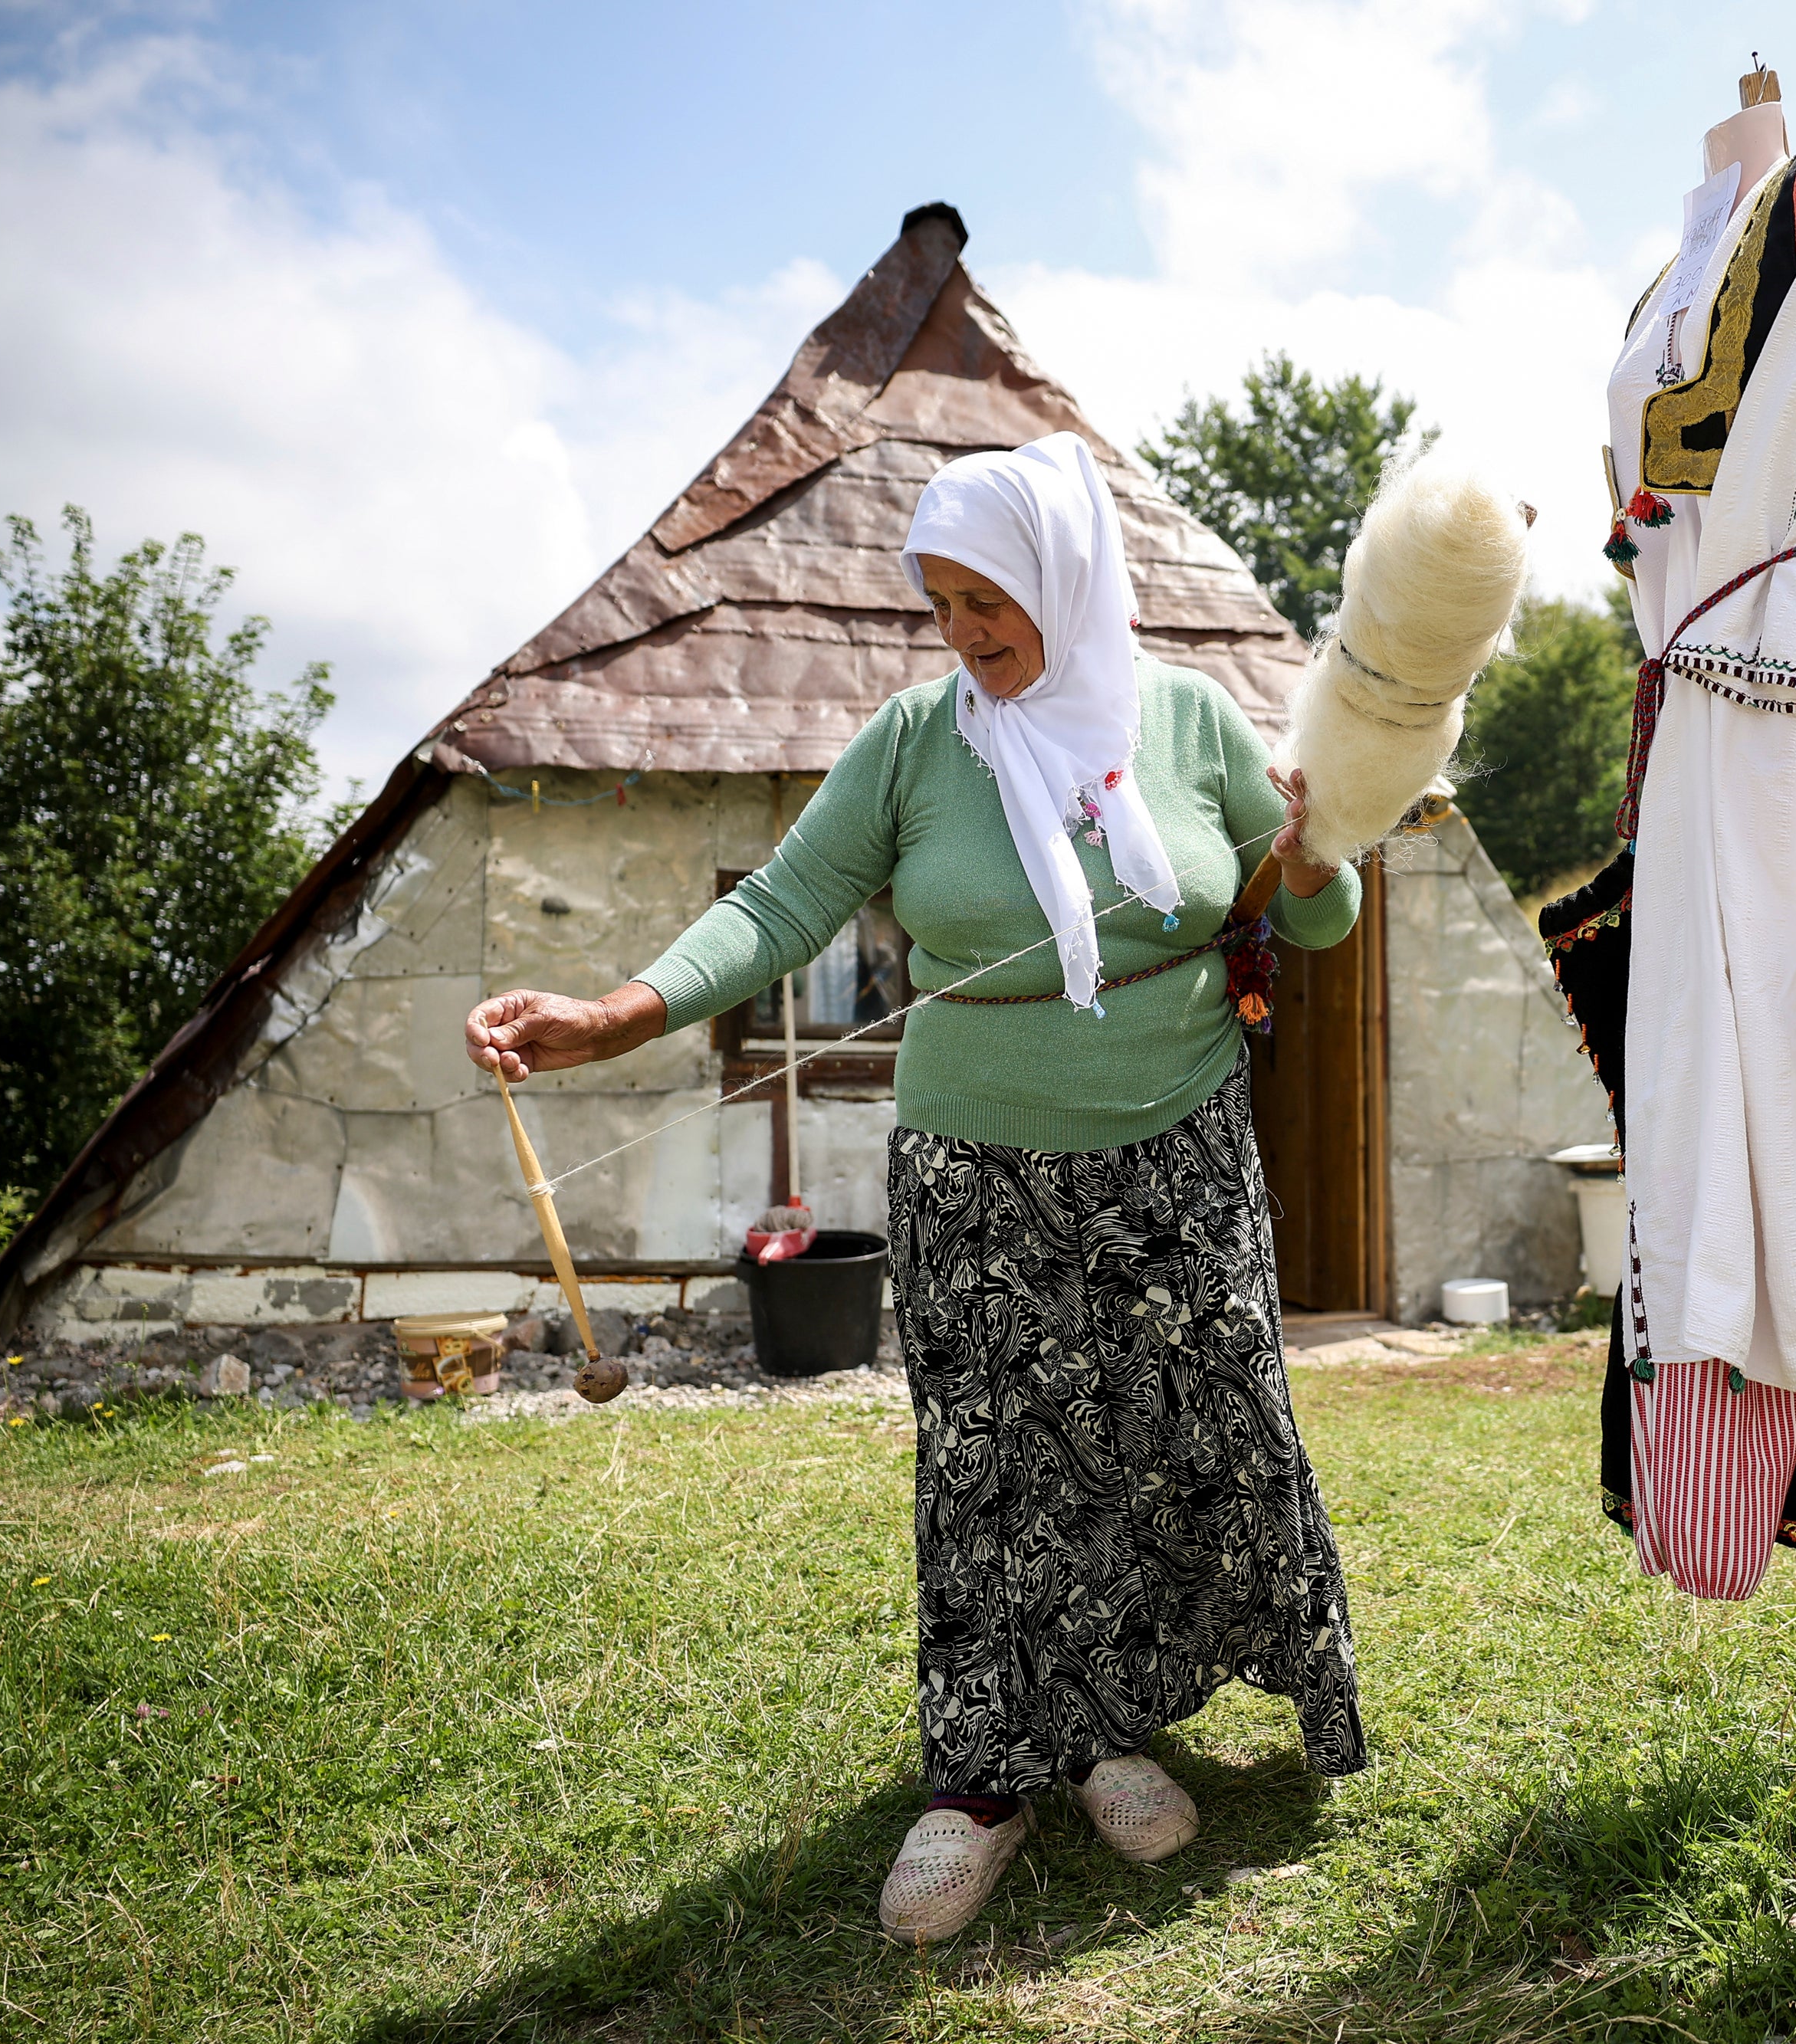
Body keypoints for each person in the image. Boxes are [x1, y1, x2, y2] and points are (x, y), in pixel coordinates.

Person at [464, 432, 1369, 1944]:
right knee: (996, 1464)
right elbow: (780, 901)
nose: (963, 633)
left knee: (1183, 1428)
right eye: (940, 602)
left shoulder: (1192, 718)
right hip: (974, 1153)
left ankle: (1107, 1730)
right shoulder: (912, 741)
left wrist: (1315, 844)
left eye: (989, 600)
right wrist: (617, 1011)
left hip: (1183, 1135)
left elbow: (1318, 910)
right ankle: (983, 1783)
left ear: (1067, 584)